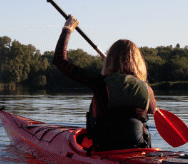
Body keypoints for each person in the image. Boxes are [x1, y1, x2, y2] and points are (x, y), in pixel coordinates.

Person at [53, 15, 157, 151]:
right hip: (138, 148)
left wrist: (67, 29)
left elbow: (59, 60)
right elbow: (152, 110)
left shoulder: (99, 83)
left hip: (105, 148)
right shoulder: (146, 88)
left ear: (109, 60)